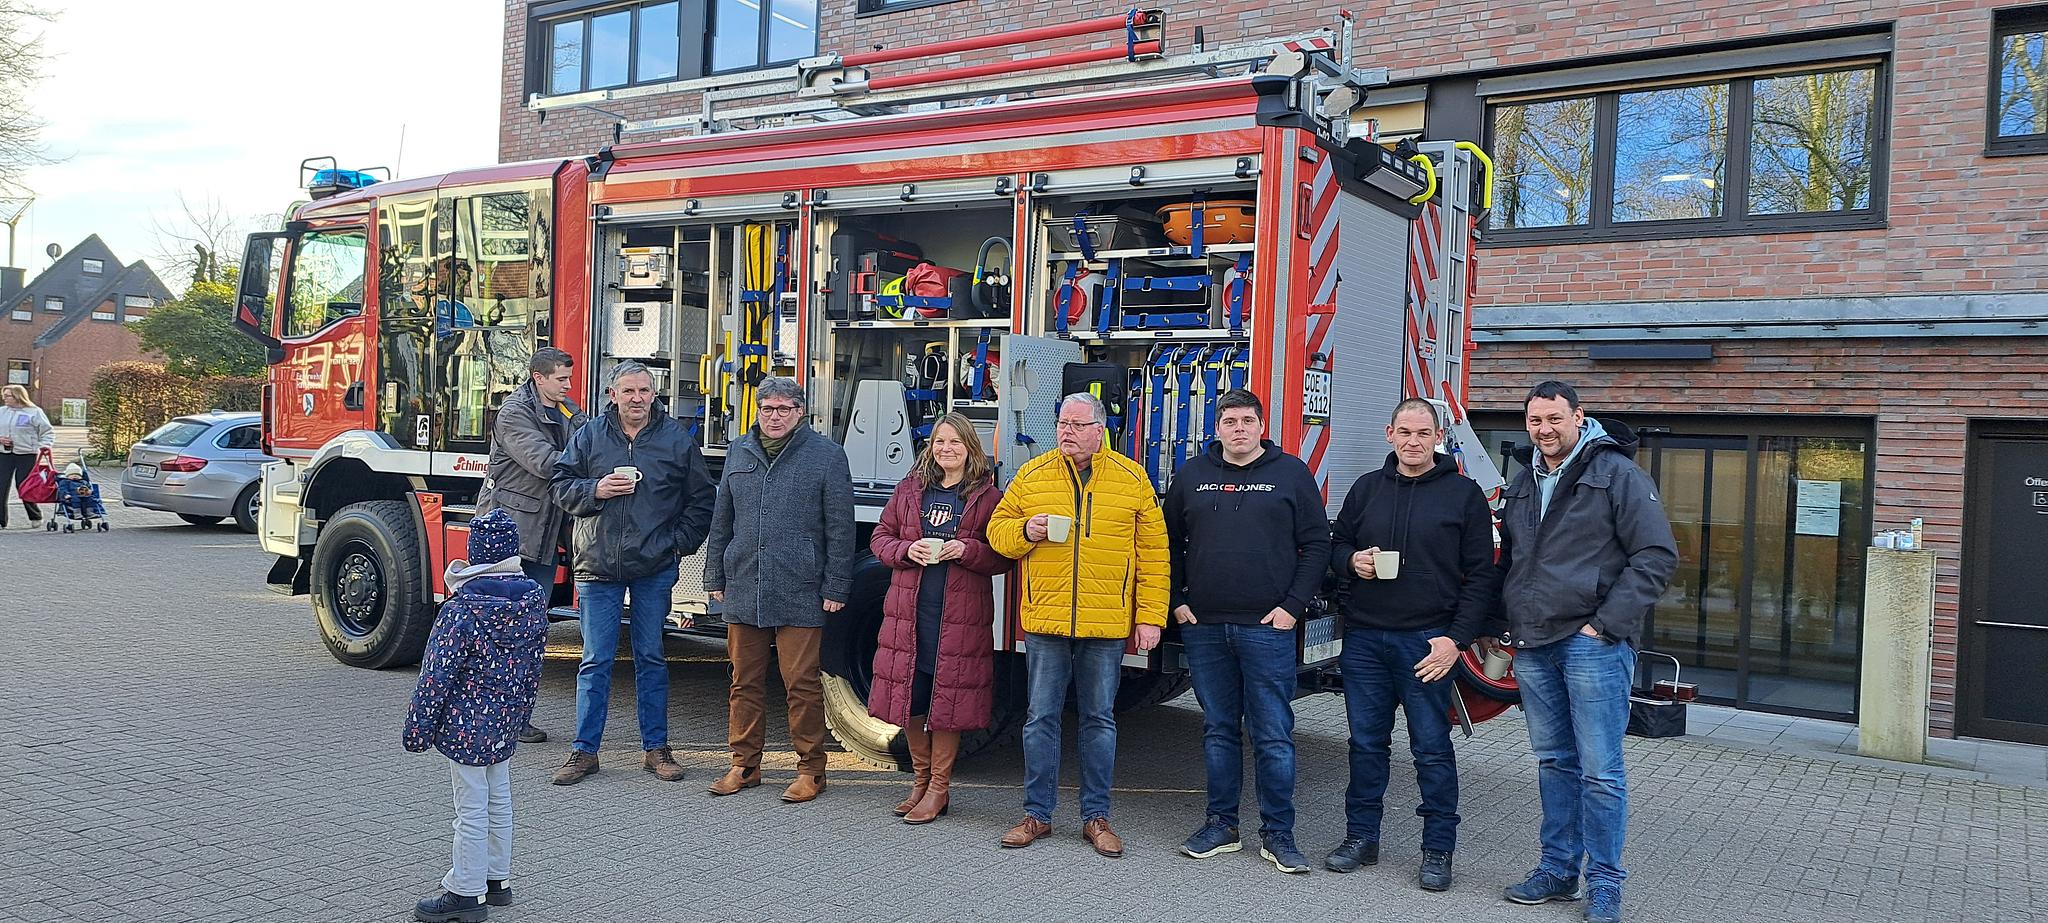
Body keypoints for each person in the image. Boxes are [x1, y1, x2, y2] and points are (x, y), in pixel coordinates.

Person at [1496, 381, 1676, 923]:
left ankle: (1604, 883)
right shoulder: (1524, 477)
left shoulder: (1616, 473)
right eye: (1535, 421)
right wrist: (1498, 623)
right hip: (1534, 641)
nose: (1545, 430)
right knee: (1555, 763)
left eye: (1554, 419)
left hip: (1589, 643)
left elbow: (1656, 555)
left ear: (1578, 416)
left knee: (1600, 771)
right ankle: (1557, 871)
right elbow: (1514, 559)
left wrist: (1605, 626)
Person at [1326, 398, 1503, 890]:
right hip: (1365, 640)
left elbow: (1480, 579)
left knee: (1430, 748)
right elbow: (1336, 545)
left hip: (1429, 643)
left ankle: (1438, 850)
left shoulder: (1464, 495)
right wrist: (1350, 562)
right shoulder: (1365, 490)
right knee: (1365, 745)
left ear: (1437, 437)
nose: (1412, 442)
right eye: (1404, 432)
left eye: (1422, 433)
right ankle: (1361, 838)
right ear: (1389, 434)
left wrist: (1455, 640)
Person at [987, 392, 1168, 858]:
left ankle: (1096, 817)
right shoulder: (1033, 474)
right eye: (1062, 422)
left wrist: (1149, 617)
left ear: (1099, 429)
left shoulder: (1132, 479)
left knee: (1099, 720)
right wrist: (1025, 531)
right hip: (1046, 619)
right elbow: (997, 532)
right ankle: (1037, 815)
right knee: (1040, 718)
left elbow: (1153, 555)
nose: (1066, 430)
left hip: (1105, 624)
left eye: (1076, 423)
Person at [1164, 389, 1329, 874]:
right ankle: (1221, 825)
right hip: (1206, 628)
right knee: (1218, 730)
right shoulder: (1193, 475)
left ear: (1262, 427)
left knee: (1273, 734)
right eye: (1230, 421)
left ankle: (1278, 834)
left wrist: (1292, 608)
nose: (1239, 429)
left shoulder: (1291, 473)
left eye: (1247, 421)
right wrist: (1177, 601)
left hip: (1267, 628)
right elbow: (1166, 542)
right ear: (1217, 428)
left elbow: (1317, 544)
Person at [546, 361, 716, 786]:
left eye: (644, 390)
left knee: (652, 658)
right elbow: (559, 485)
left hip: (653, 566)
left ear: (654, 394)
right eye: (628, 391)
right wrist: (595, 490)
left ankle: (656, 750)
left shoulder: (676, 439)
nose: (637, 398)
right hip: (598, 566)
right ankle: (584, 752)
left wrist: (676, 544)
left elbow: (702, 500)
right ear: (612, 395)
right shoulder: (589, 435)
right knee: (595, 661)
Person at [703, 377, 856, 804]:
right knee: (743, 681)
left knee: (801, 684)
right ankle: (745, 764)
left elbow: (841, 529)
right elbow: (722, 521)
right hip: (744, 583)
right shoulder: (739, 450)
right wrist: (714, 575)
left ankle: (811, 769)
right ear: (757, 410)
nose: (775, 416)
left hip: (801, 587)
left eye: (784, 409)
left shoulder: (826, 456)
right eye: (767, 409)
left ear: (800, 412)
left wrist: (837, 585)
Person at [402, 510, 549, 923]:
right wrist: (522, 715)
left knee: (469, 806)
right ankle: (496, 880)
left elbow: (435, 675)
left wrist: (417, 729)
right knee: (498, 795)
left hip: (465, 726)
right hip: (505, 720)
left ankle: (465, 892)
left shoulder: (462, 607)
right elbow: (534, 665)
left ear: (475, 553)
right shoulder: (533, 600)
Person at [868, 413, 1010, 824]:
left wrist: (967, 551)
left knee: (946, 698)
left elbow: (1002, 556)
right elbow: (881, 537)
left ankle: (940, 789)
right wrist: (904, 551)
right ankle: (920, 781)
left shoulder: (987, 497)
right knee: (912, 693)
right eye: (939, 442)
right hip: (909, 613)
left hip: (959, 617)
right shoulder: (911, 489)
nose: (946, 449)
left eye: (955, 443)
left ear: (971, 448)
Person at [476, 347, 587, 745]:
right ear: (538, 377)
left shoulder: (567, 407)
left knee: (530, 630)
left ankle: (517, 717)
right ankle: (494, 716)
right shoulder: (513, 413)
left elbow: (589, 438)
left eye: (569, 379)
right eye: (561, 379)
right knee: (503, 630)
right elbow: (543, 461)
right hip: (510, 537)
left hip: (540, 535)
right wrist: (593, 472)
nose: (568, 386)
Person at [0, 384, 54, 530]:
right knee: (1, 485)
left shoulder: (34, 412)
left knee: (23, 486)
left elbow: (47, 432)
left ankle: (35, 515)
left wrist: (45, 445)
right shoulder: (1, 412)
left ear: (18, 396)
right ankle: (1, 521)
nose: (4, 398)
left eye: (8, 396)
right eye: (4, 395)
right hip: (4, 454)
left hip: (26, 453)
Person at [52, 463, 110, 533]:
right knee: (76, 499)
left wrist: (89, 491)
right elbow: (63, 489)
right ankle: (77, 513)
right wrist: (66, 495)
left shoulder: (83, 482)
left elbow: (89, 488)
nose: (75, 476)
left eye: (78, 475)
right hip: (71, 498)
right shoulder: (65, 482)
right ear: (67, 476)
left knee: (91, 499)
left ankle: (90, 512)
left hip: (84, 496)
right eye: (72, 475)